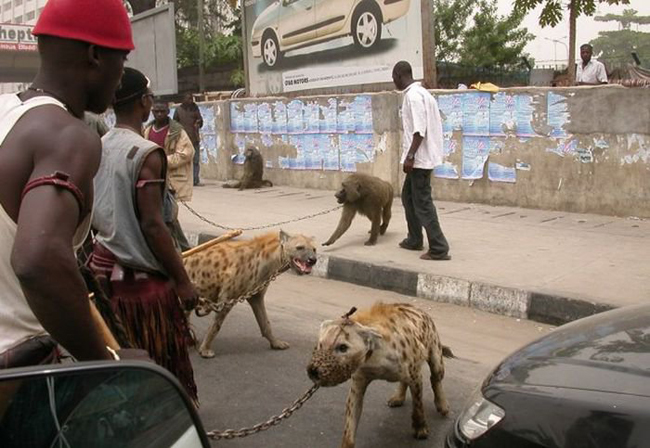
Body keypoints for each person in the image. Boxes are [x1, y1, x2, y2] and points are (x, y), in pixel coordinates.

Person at [0, 0, 138, 368]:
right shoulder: (68, 136)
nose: (122, 76)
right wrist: (103, 361)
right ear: (95, 55)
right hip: (19, 371)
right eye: (121, 59)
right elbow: (38, 259)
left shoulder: (5, 113)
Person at [89, 68, 199, 403]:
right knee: (158, 368)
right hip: (142, 289)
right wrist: (182, 280)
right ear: (145, 102)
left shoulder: (99, 145)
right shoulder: (146, 153)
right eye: (151, 97)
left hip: (104, 276)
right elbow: (153, 225)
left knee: (120, 367)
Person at [392, 61, 451, 261]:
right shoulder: (424, 93)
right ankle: (414, 238)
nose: (394, 82)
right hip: (421, 158)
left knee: (422, 203)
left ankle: (439, 247)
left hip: (419, 159)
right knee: (408, 197)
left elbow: (419, 131)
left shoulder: (413, 96)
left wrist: (410, 156)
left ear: (400, 75)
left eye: (394, 78)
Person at [144, 100, 195, 251]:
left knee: (169, 215)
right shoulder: (147, 130)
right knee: (163, 217)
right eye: (156, 111)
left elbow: (187, 153)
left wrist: (162, 161)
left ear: (168, 111)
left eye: (162, 111)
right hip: (153, 180)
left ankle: (184, 250)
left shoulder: (177, 132)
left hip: (171, 181)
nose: (159, 114)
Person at [174, 93, 204, 186]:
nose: (190, 101)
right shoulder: (179, 110)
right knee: (184, 161)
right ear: (184, 100)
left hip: (194, 138)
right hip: (183, 140)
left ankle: (195, 180)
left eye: (191, 99)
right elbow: (174, 123)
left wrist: (198, 123)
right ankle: (186, 179)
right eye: (188, 99)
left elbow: (200, 121)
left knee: (195, 160)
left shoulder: (195, 109)